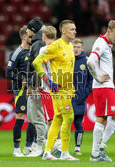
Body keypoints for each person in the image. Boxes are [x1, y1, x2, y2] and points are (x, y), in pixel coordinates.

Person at [33, 19, 78, 161]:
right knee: (68, 117)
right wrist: (47, 80)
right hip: (58, 90)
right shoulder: (55, 46)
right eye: (71, 29)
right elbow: (37, 62)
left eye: (75, 29)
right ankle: (64, 153)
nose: (75, 31)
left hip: (68, 89)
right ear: (63, 31)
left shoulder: (70, 46)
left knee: (57, 119)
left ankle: (47, 152)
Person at [87, 20, 115, 161]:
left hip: (109, 86)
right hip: (103, 87)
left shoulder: (106, 45)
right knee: (101, 118)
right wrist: (97, 77)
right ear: (108, 31)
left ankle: (100, 146)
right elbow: (90, 61)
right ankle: (95, 154)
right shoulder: (101, 44)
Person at [6, 25, 36, 157]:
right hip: (21, 90)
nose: (33, 39)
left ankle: (29, 146)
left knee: (34, 118)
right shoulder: (17, 52)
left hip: (33, 89)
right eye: (30, 36)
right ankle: (16, 149)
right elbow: (8, 72)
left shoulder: (34, 51)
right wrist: (21, 79)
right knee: (21, 116)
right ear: (24, 37)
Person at [37, 26, 62, 157]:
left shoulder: (44, 49)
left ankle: (56, 147)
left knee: (51, 119)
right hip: (61, 87)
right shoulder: (62, 47)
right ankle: (51, 146)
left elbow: (40, 68)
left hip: (48, 88)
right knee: (57, 117)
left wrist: (42, 83)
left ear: (44, 36)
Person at [26, 17, 47, 157]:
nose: (26, 30)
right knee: (33, 117)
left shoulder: (38, 44)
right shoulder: (36, 43)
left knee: (38, 118)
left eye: (28, 28)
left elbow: (38, 68)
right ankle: (48, 144)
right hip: (33, 85)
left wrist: (35, 85)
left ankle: (41, 147)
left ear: (33, 30)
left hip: (37, 87)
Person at [72, 38, 93, 155]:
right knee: (63, 123)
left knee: (78, 123)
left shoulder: (87, 61)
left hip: (80, 98)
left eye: (78, 47)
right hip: (67, 98)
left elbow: (91, 80)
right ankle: (59, 147)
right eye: (74, 47)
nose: (76, 49)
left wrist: (84, 93)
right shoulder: (67, 60)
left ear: (82, 48)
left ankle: (77, 147)